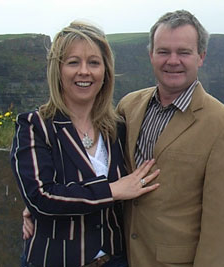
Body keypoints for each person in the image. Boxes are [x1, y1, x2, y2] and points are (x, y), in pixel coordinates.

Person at [10, 21, 160, 267]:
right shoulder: (35, 126)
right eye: (73, 62)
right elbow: (40, 196)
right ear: (57, 70)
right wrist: (111, 190)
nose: (84, 71)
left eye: (93, 62)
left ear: (105, 72)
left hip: (115, 260)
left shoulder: (118, 128)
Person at [116, 10, 224, 267]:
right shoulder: (127, 106)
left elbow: (223, 224)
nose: (172, 60)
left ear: (201, 57)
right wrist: (39, 205)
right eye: (163, 51)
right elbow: (97, 161)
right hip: (122, 256)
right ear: (151, 55)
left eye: (184, 52)